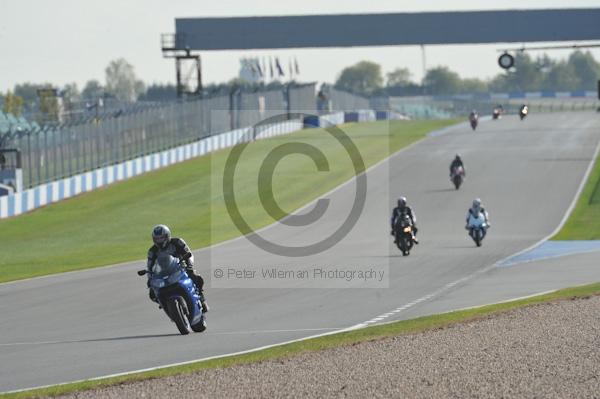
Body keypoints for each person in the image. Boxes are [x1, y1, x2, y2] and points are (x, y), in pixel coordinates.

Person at [147, 224, 209, 313]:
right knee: (152, 294)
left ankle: (201, 298)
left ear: (167, 236)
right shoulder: (152, 251)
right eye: (157, 239)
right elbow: (149, 266)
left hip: (180, 268)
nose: (160, 241)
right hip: (162, 274)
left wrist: (189, 266)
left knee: (196, 277)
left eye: (162, 238)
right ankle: (165, 305)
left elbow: (188, 253)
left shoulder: (177, 242)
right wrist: (150, 279)